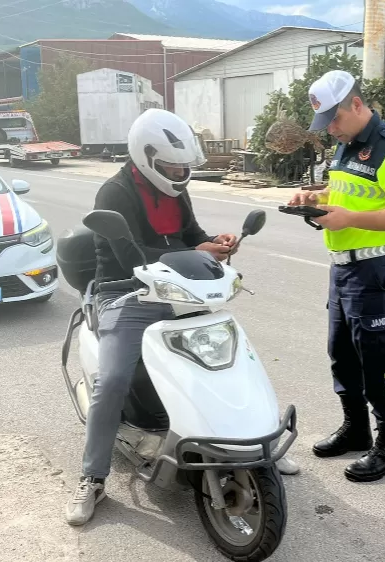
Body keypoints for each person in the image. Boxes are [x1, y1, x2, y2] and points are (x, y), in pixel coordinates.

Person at [66, 109, 297, 526]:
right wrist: (196, 254)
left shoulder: (174, 190)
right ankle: (92, 476)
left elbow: (189, 233)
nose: (179, 171)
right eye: (172, 165)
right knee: (114, 378)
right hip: (125, 293)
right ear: (146, 156)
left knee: (228, 354)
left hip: (175, 289)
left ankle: (252, 446)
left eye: (183, 165)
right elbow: (128, 255)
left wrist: (212, 243)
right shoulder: (114, 193)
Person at [288, 70, 385, 483]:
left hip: (376, 270)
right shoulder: (344, 146)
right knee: (342, 355)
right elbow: (346, 195)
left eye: (335, 119)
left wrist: (349, 218)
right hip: (343, 269)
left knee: (381, 363)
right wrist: (316, 198)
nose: (330, 128)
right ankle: (357, 429)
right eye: (325, 122)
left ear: (358, 105)